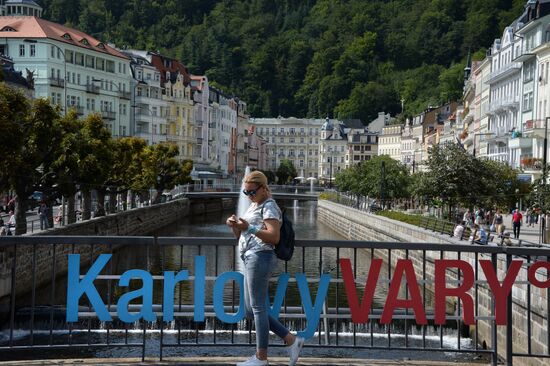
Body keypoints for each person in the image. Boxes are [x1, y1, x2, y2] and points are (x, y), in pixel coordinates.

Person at [226, 171, 304, 366]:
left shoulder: (269, 206)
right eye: (245, 193)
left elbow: (274, 237)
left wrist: (249, 228)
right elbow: (241, 236)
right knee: (250, 310)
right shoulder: (255, 205)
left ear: (263, 188)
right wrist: (234, 226)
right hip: (250, 257)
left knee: (258, 308)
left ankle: (261, 357)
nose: (249, 196)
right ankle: (291, 340)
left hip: (260, 257)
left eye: (252, 192)